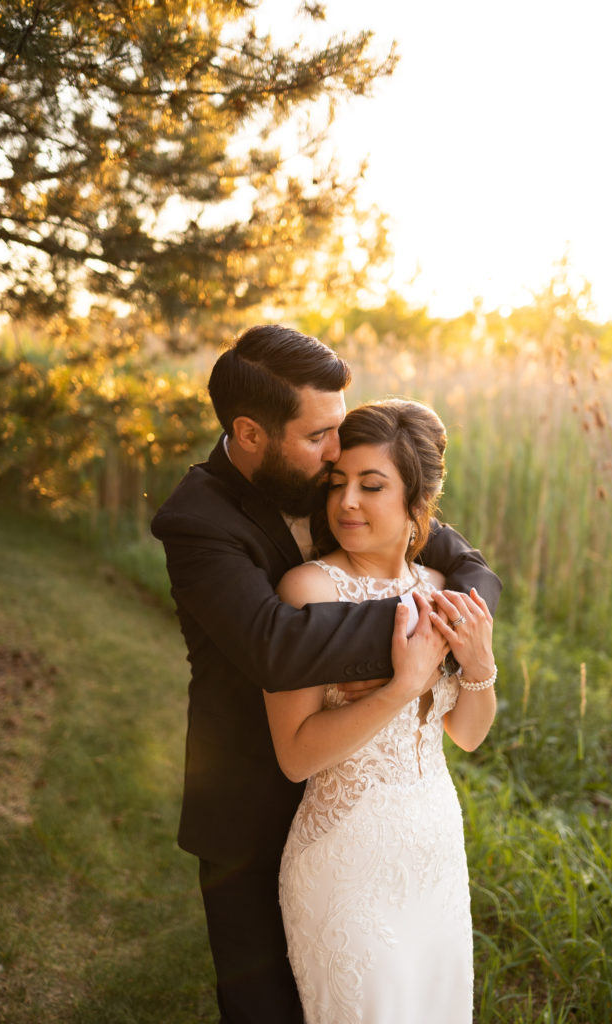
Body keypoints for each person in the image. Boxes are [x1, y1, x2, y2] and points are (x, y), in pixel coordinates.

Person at [150, 325, 501, 1024]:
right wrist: (419, 638)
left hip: (393, 825)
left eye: (339, 429)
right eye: (319, 436)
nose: (337, 454)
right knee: (267, 1006)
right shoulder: (197, 521)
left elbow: (471, 570)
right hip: (251, 805)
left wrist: (469, 637)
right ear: (250, 433)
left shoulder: (337, 480)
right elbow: (274, 647)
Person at [265, 399, 497, 1024]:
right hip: (346, 863)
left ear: (417, 499)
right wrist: (401, 687)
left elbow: (467, 736)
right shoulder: (310, 591)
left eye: (372, 486)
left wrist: (478, 665)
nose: (347, 503)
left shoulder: (439, 589)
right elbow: (294, 756)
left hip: (436, 853)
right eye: (338, 484)